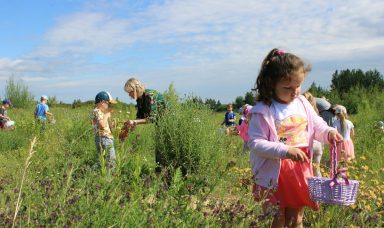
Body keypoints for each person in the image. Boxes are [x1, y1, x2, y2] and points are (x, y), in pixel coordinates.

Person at [248, 48, 342, 227]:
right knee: (276, 218)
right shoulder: (263, 109)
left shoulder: (302, 103)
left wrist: (329, 132)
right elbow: (256, 143)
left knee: (296, 218)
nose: (295, 91)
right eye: (287, 87)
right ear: (271, 84)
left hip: (299, 169)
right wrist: (285, 150)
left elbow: (317, 125)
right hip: (274, 172)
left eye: (298, 85)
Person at [123, 78, 166, 172]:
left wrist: (134, 122)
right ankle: (160, 173)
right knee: (159, 149)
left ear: (135, 89)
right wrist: (131, 124)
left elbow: (153, 118)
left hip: (169, 123)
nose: (129, 95)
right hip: (160, 124)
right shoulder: (139, 99)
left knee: (164, 149)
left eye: (129, 92)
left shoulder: (149, 95)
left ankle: (163, 174)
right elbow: (140, 117)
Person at [90, 91, 118, 170]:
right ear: (102, 102)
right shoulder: (97, 111)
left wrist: (112, 125)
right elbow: (102, 126)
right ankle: (110, 175)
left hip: (101, 138)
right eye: (108, 103)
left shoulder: (98, 112)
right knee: (111, 158)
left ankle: (97, 172)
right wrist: (106, 115)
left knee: (102, 158)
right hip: (104, 138)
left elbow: (104, 125)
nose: (109, 106)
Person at [303, 92, 324, 177]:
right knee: (317, 168)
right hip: (318, 144)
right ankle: (319, 187)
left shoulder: (302, 115)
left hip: (309, 144)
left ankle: (308, 188)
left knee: (307, 169)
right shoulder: (317, 115)